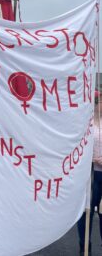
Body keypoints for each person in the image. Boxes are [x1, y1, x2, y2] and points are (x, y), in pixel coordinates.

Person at [77, 94, 102, 256]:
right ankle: (84, 247)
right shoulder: (85, 123)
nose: (97, 105)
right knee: (85, 212)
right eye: (96, 102)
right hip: (88, 175)